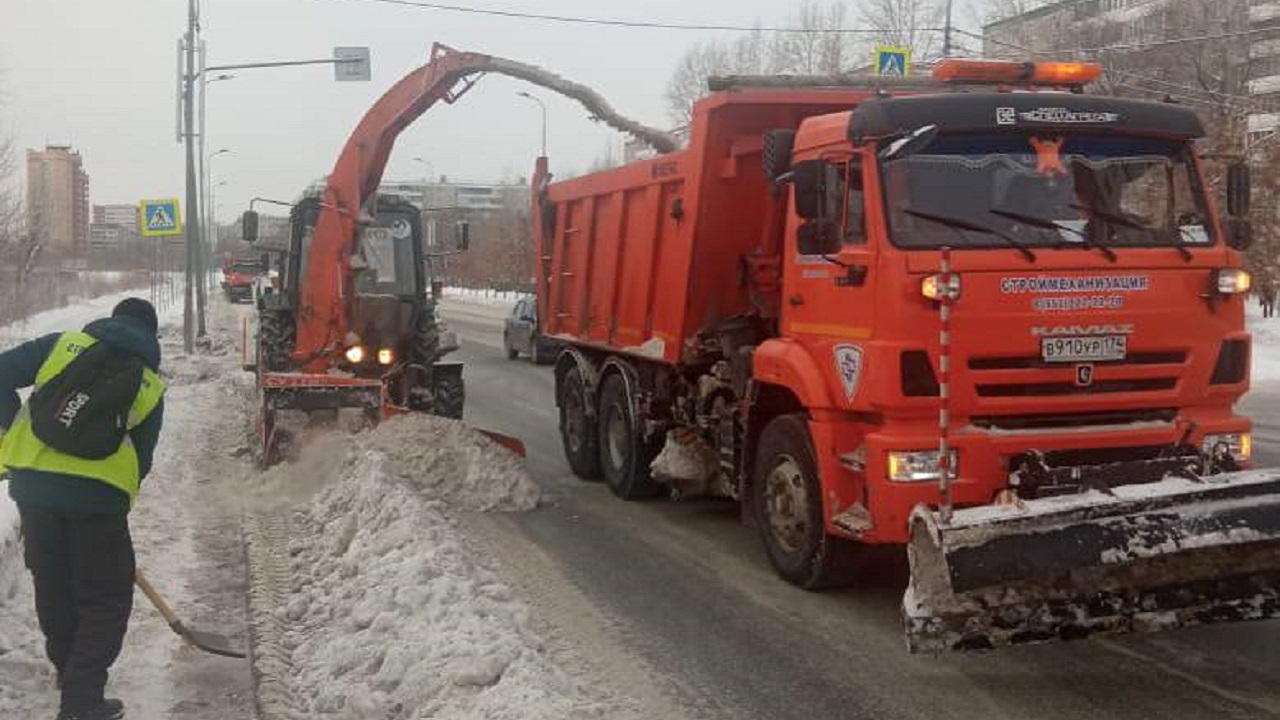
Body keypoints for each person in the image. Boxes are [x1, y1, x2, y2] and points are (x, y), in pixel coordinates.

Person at [0, 298, 165, 720]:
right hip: (98, 501)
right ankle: (82, 699)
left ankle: (67, 672)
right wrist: (114, 502)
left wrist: (11, 427)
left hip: (33, 488)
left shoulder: (62, 345)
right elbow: (141, 460)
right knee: (105, 598)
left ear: (111, 322)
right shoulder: (148, 383)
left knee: (53, 583)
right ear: (151, 335)